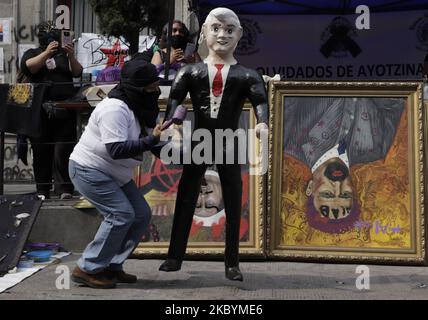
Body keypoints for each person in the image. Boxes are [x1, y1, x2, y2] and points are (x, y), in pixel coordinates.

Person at [158, 8, 268, 281]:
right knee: (186, 195)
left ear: (239, 35)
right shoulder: (190, 71)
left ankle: (232, 262)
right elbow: (175, 100)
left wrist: (263, 122)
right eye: (217, 28)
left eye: (229, 30)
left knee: (232, 198)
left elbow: (260, 101)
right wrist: (172, 124)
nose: (222, 35)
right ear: (204, 32)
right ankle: (174, 256)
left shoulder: (247, 75)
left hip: (230, 141)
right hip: (200, 140)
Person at [68, 59, 162, 289]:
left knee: (140, 214)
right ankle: (87, 268)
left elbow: (154, 145)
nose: (156, 91)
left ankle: (111, 265)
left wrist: (188, 157)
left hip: (114, 174)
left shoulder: (140, 107)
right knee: (121, 215)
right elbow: (117, 149)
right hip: (89, 169)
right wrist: (151, 140)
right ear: (137, 89)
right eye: (151, 87)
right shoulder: (115, 109)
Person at [283, 96, 405, 233]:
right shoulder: (377, 151)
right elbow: (395, 104)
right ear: (354, 191)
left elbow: (290, 92)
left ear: (310, 187)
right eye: (345, 195)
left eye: (327, 194)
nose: (337, 185)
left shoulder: (288, 141)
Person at [20, 21, 83, 199]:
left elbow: (77, 72)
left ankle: (64, 189)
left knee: (63, 150)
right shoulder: (32, 53)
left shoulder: (64, 55)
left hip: (64, 109)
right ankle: (43, 190)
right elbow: (28, 66)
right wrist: (46, 53)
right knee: (41, 151)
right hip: (40, 111)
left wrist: (70, 55)